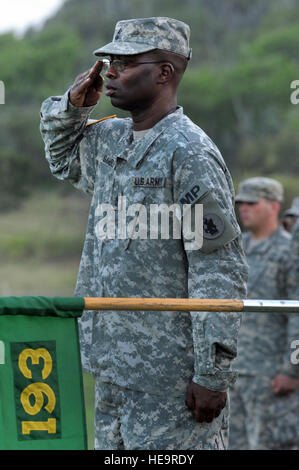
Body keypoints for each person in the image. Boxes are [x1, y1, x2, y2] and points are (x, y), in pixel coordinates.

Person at [40, 17, 247, 450]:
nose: (110, 73)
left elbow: (217, 266)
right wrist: (73, 108)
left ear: (164, 73)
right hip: (113, 369)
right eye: (109, 62)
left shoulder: (187, 151)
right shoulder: (110, 139)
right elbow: (61, 159)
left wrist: (212, 373)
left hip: (170, 380)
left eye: (125, 63)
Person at [229, 177, 299, 450]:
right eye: (241, 203)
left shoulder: (288, 253)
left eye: (251, 203)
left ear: (273, 206)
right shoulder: (235, 249)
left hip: (271, 376)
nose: (243, 209)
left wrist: (292, 368)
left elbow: (298, 314)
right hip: (234, 371)